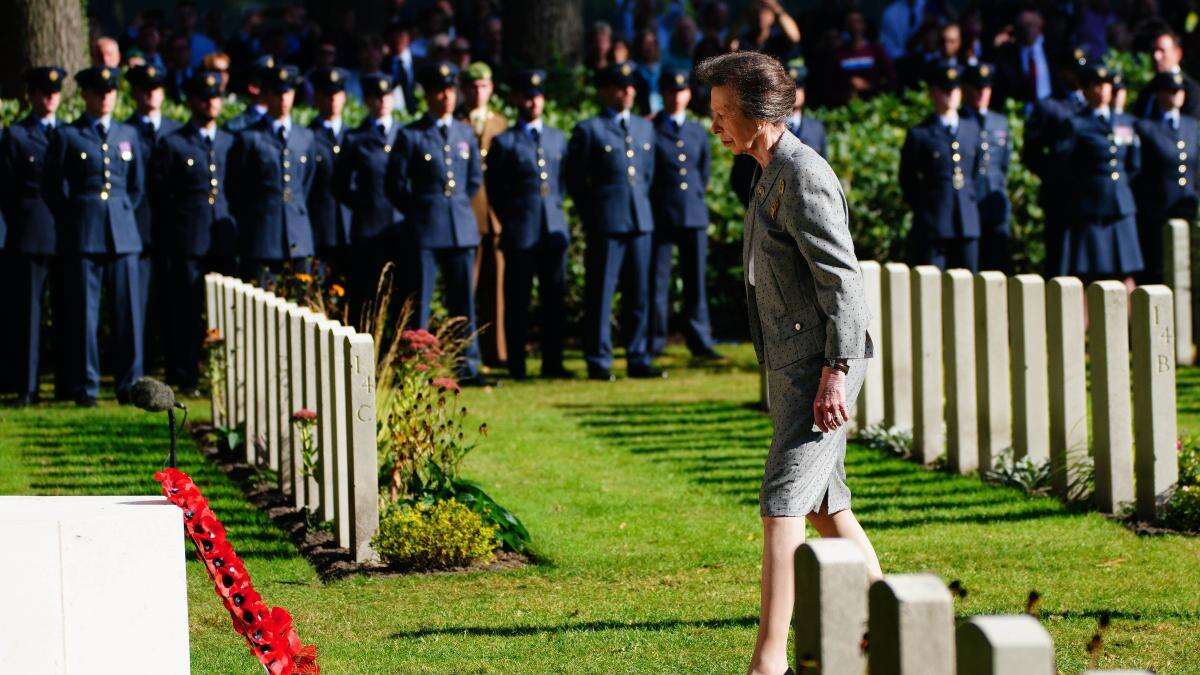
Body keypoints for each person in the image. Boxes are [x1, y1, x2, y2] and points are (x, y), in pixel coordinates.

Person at [696, 50, 881, 675]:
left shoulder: (802, 174)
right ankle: (896, 625)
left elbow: (843, 283)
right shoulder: (766, 170)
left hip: (822, 364)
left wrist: (836, 369)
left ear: (759, 114)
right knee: (829, 509)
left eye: (724, 113)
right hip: (798, 362)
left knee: (782, 504)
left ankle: (768, 660)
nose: (715, 124)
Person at [42, 67, 145, 407]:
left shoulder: (127, 133)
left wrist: (122, 213)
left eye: (111, 92)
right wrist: (75, 218)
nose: (105, 98)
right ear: (85, 94)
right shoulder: (68, 136)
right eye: (99, 92)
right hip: (84, 233)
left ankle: (131, 384)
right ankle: (86, 386)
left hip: (123, 234)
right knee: (84, 316)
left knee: (128, 313)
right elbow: (53, 188)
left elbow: (136, 186)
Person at [386, 62, 491, 386]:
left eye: (449, 90)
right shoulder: (412, 134)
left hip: (460, 226)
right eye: (438, 91)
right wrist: (422, 209)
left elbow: (473, 180)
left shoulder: (462, 132)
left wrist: (453, 206)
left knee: (463, 303)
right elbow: (395, 184)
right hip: (426, 228)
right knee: (421, 302)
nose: (445, 97)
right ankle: (415, 368)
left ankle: (466, 365)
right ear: (429, 96)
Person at [565, 62, 663, 381]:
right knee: (601, 293)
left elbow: (648, 175)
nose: (629, 91)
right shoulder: (589, 129)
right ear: (605, 91)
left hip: (639, 220)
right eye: (621, 87)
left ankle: (638, 356)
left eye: (631, 86)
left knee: (639, 293)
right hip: (606, 221)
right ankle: (599, 358)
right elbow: (576, 181)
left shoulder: (644, 127)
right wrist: (593, 214)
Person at [485, 70, 573, 380]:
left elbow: (563, 182)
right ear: (517, 100)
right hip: (521, 231)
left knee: (553, 299)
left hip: (552, 230)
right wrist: (512, 218)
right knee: (518, 301)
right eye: (527, 97)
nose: (533, 102)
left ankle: (553, 362)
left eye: (537, 96)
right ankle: (517, 365)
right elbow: (495, 189)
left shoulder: (557, 137)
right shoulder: (505, 141)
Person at [155, 71, 237, 393]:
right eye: (204, 97)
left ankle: (226, 374)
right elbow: (163, 196)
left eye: (215, 97)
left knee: (226, 309)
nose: (211, 102)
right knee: (187, 310)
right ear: (191, 101)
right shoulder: (173, 144)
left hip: (224, 238)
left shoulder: (230, 141)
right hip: (189, 238)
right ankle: (186, 373)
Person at [0, 67, 65, 406]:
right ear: (31, 95)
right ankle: (27, 386)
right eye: (42, 92)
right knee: (29, 316)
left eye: (54, 92)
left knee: (70, 313)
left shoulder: (67, 133)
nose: (49, 97)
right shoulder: (16, 135)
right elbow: (8, 191)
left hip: (69, 235)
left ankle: (71, 386)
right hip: (31, 232)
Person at [648, 70, 721, 362]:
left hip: (693, 213)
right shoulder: (651, 129)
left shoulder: (696, 131)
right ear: (662, 95)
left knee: (696, 282)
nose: (676, 97)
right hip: (662, 214)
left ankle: (699, 339)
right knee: (657, 281)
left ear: (688, 95)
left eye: (681, 92)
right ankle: (654, 340)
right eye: (670, 92)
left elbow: (702, 172)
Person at [226, 64, 316, 286]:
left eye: (288, 92)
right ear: (266, 95)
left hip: (297, 237)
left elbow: (307, 183)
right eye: (277, 93)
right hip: (263, 238)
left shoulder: (304, 137)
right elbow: (236, 189)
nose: (284, 99)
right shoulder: (249, 138)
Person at [1056, 62, 1142, 287]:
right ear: (1085, 90)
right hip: (1091, 208)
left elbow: (1134, 164)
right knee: (1089, 276)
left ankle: (1131, 323)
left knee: (1126, 274)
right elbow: (1065, 166)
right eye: (1096, 85)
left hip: (1121, 205)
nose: (1103, 90)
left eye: (1106, 85)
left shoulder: (1125, 122)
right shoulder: (1076, 124)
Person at [334, 73, 406, 323]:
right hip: (368, 226)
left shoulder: (404, 134)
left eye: (387, 95)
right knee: (366, 296)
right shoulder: (355, 138)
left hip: (399, 225)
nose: (383, 101)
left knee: (400, 295)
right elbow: (340, 185)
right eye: (376, 96)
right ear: (367, 101)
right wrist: (364, 205)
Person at [125, 64, 182, 376]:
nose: (150, 94)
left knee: (175, 305)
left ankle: (177, 368)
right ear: (134, 94)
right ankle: (139, 370)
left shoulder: (176, 131)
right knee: (139, 307)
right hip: (139, 231)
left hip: (174, 231)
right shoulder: (124, 131)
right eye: (144, 89)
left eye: (156, 88)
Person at [899, 62, 982, 271]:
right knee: (933, 286)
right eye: (945, 90)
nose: (950, 95)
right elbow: (908, 178)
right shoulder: (920, 133)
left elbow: (976, 171)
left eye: (954, 89)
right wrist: (924, 208)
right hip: (935, 222)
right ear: (933, 93)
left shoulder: (972, 129)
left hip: (967, 221)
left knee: (968, 284)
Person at [459, 62, 509, 369]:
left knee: (498, 287)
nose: (479, 92)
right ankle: (465, 354)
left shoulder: (501, 124)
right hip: (466, 215)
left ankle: (498, 351)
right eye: (474, 87)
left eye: (484, 86)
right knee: (467, 287)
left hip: (495, 215)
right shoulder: (457, 123)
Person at [1024, 50, 1090, 276]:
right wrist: (1054, 173)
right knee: (1060, 258)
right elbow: (1031, 152)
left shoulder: (1092, 106)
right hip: (1060, 194)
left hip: (1089, 196)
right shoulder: (1048, 106)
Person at [732, 59, 826, 207]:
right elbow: (741, 174)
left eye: (799, 87)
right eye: (789, 88)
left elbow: (823, 172)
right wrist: (757, 206)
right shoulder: (763, 125)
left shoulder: (816, 128)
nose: (795, 92)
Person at [1133, 71, 1199, 283]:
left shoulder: (1192, 126)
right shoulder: (1147, 127)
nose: (1175, 96)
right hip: (1159, 210)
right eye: (1169, 91)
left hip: (1188, 207)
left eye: (1178, 91)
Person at [962, 62, 1013, 274]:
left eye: (985, 88)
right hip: (970, 202)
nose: (981, 93)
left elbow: (1004, 164)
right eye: (976, 88)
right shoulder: (961, 121)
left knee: (998, 266)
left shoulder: (999, 121)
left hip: (994, 200)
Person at [307, 67, 352, 282]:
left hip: (351, 229)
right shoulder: (308, 137)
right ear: (316, 98)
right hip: (320, 230)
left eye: (337, 94)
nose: (332, 100)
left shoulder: (353, 136)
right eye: (327, 95)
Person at [1133, 29, 1200, 119]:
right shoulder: (1148, 90)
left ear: (1178, 54)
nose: (1156, 56)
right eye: (1154, 51)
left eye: (1162, 51)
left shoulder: (1191, 90)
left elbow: (1191, 128)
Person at [224, 55, 274, 133]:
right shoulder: (235, 127)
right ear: (253, 88)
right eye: (267, 82)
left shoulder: (286, 125)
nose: (277, 87)